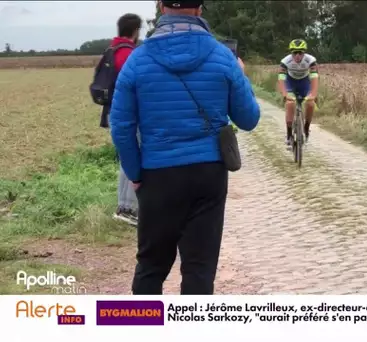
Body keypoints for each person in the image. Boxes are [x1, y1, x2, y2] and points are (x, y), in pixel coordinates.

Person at [109, 0, 259, 295]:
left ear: (162, 8)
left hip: (157, 175)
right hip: (208, 175)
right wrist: (241, 75)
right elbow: (249, 118)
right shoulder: (222, 56)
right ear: (200, 9)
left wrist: (136, 175)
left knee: (151, 267)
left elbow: (122, 127)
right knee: (199, 270)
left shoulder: (137, 61)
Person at [99, 13, 142, 226]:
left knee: (126, 157)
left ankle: (125, 206)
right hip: (127, 114)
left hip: (111, 112)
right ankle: (128, 208)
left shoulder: (111, 50)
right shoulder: (129, 54)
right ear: (135, 31)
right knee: (131, 157)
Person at [277, 39, 319, 147]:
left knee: (310, 103)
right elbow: (281, 79)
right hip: (290, 82)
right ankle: (289, 134)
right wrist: (285, 94)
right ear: (291, 53)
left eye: (300, 52)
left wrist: (313, 94)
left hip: (305, 82)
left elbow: (314, 78)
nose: (297, 55)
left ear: (304, 53)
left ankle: (306, 128)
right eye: (294, 52)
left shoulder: (311, 60)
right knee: (290, 104)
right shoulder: (285, 61)